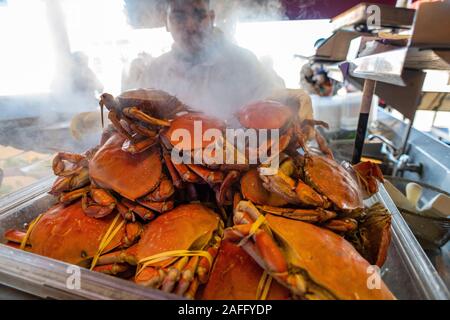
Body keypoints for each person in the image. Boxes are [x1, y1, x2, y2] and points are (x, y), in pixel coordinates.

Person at [140, 0, 285, 122]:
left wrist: (291, 102)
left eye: (199, 15)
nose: (191, 26)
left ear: (212, 18)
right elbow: (138, 123)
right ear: (166, 22)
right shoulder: (155, 72)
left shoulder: (245, 63)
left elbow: (276, 108)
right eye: (179, 18)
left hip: (238, 153)